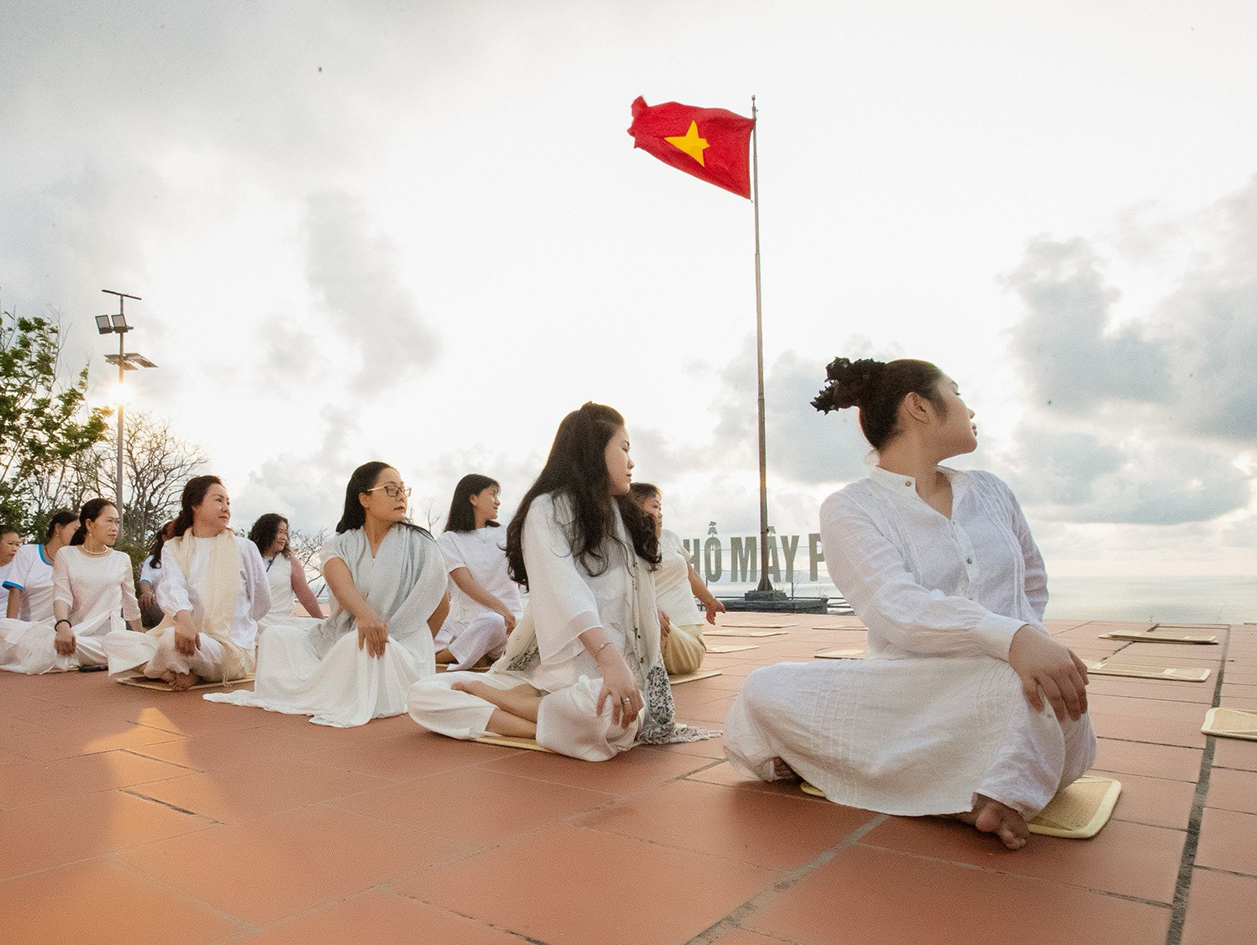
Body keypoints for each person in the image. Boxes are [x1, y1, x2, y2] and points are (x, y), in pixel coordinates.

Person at [723, 357, 1096, 851]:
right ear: (919, 406)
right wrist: (1011, 637)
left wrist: (1027, 642)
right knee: (762, 686)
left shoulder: (991, 492)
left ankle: (952, 783)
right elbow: (893, 605)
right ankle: (976, 788)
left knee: (1024, 688)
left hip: (1010, 688)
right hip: (908, 691)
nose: (969, 406)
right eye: (957, 392)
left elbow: (1032, 580)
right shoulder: (851, 507)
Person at [408, 402, 712, 760]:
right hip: (548, 676)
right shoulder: (546, 509)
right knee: (422, 695)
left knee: (614, 718)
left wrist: (620, 664)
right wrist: (608, 657)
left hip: (603, 683)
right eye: (625, 449)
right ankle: (525, 713)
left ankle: (507, 708)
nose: (631, 462)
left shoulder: (623, 516)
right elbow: (566, 589)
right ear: (594, 450)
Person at [206, 462, 449, 727]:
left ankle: (363, 673)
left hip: (401, 649)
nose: (401, 496)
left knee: (359, 645)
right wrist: (365, 616)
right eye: (391, 489)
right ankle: (322, 687)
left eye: (403, 490)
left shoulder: (420, 543)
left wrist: (407, 645)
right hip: (349, 635)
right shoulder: (342, 543)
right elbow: (339, 583)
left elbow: (441, 604)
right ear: (364, 498)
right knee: (277, 637)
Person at [106, 477, 271, 690]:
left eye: (228, 502)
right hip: (182, 635)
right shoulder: (174, 547)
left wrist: (236, 626)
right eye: (218, 500)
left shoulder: (244, 547)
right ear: (195, 505)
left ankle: (171, 670)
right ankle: (174, 673)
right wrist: (184, 620)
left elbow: (262, 601)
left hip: (228, 648)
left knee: (168, 641)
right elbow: (171, 586)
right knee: (115, 640)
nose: (225, 508)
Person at [0, 498, 140, 674]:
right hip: (69, 631)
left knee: (54, 647)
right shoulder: (66, 554)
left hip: (106, 638)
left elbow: (131, 605)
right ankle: (61, 651)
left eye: (117, 522)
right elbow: (61, 596)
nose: (115, 528)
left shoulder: (121, 559)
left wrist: (141, 639)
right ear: (90, 524)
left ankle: (53, 651)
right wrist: (62, 626)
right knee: (3, 627)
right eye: (109, 521)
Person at [630, 483, 725, 675]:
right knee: (647, 619)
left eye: (660, 507)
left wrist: (710, 601)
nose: (660, 513)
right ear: (634, 510)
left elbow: (690, 575)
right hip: (650, 630)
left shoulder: (670, 537)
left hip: (684, 636)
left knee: (652, 621)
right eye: (654, 507)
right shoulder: (626, 545)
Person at [433, 474, 522, 671]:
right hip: (469, 623)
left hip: (509, 625)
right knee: (490, 620)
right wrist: (501, 609)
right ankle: (462, 655)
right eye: (492, 494)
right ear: (473, 499)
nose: (497, 501)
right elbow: (465, 583)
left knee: (496, 623)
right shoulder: (450, 539)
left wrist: (507, 613)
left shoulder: (506, 533)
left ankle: (457, 656)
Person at [1, 511, 78, 625]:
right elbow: (14, 591)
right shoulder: (28, 552)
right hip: (27, 627)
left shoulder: (76, 561)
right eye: (76, 530)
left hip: (62, 628)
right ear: (58, 528)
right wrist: (9, 626)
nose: (80, 535)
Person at [247, 512, 324, 624]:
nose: (284, 538)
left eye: (285, 533)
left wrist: (322, 622)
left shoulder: (289, 561)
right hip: (251, 626)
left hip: (282, 627)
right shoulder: (249, 557)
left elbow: (306, 596)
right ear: (267, 532)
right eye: (280, 532)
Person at [137, 520, 173, 628]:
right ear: (164, 538)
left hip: (182, 611)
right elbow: (145, 580)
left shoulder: (186, 559)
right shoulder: (153, 561)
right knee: (128, 610)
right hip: (160, 608)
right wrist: (147, 593)